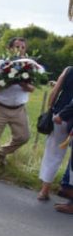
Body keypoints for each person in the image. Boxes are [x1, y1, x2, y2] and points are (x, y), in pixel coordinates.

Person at [0, 37, 33, 179]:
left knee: (23, 137)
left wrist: (24, 84)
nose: (19, 49)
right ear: (9, 48)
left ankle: (2, 152)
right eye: (16, 46)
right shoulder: (0, 65)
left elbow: (32, 88)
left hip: (18, 109)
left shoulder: (29, 66)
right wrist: (5, 83)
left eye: (22, 47)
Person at [37, 66, 73, 201]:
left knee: (53, 154)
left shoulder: (69, 70)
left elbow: (55, 91)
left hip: (60, 116)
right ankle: (68, 189)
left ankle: (44, 190)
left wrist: (50, 109)